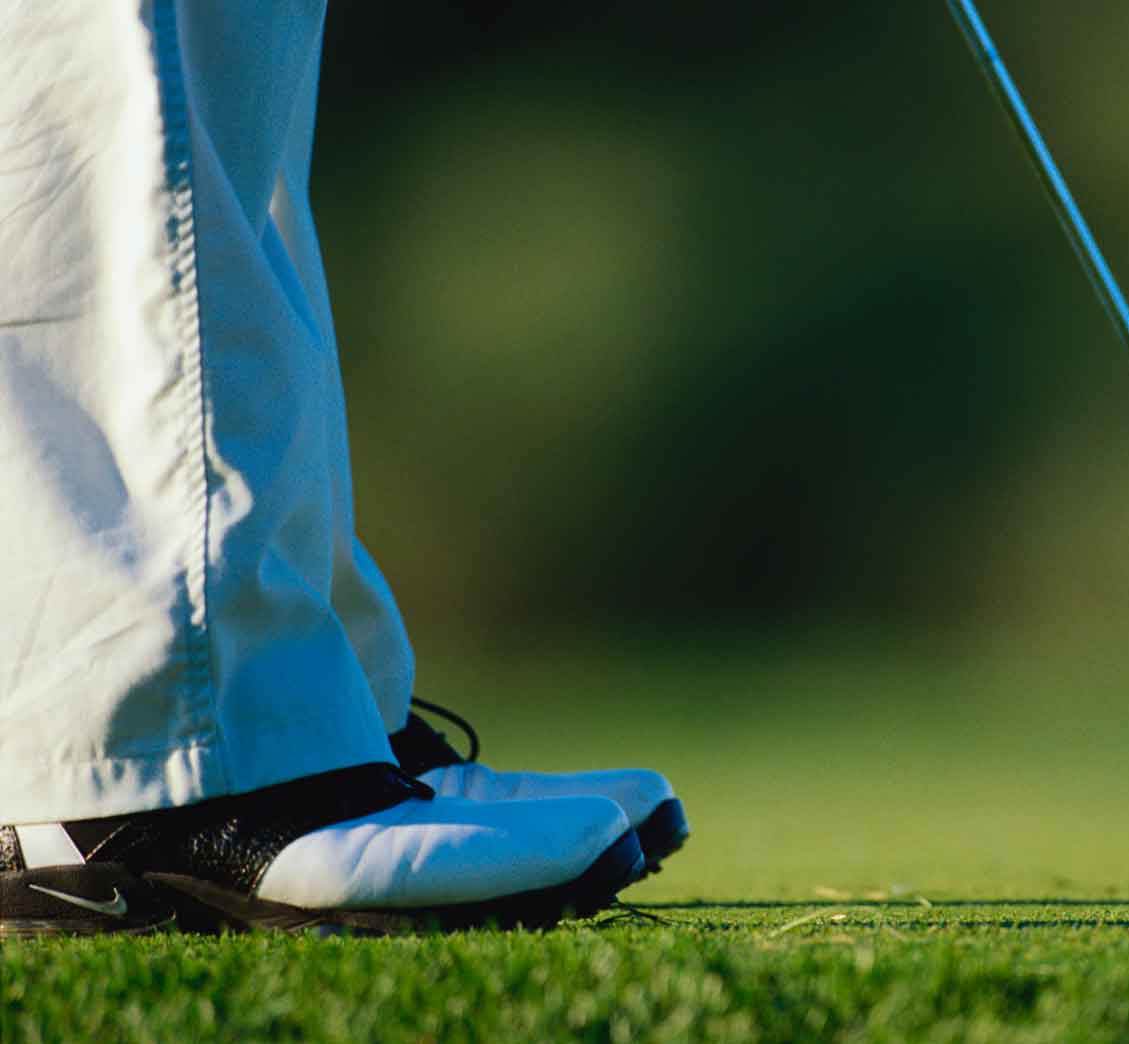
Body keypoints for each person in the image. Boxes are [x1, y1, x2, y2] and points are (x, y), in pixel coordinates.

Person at [0, 1, 685, 935]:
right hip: (148, 749)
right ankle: (132, 764)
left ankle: (313, 717)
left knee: (228, 98)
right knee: (111, 51)